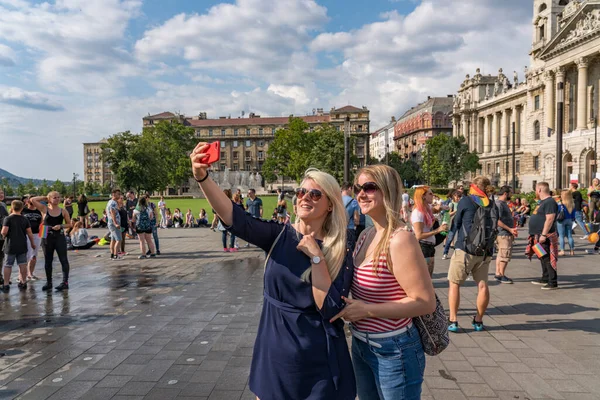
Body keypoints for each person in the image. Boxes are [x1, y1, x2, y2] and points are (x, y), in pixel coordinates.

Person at [191, 143, 357, 400]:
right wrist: (202, 177)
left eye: (315, 194)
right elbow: (235, 218)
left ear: (330, 205)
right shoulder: (279, 235)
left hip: (319, 357)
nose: (304, 197)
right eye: (302, 192)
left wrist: (316, 257)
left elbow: (331, 309)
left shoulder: (340, 248)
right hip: (276, 351)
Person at [335, 165, 435, 400]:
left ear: (388, 190)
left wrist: (367, 310)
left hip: (394, 349)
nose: (361, 194)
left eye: (369, 187)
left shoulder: (400, 240)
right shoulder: (365, 235)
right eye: (359, 187)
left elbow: (425, 302)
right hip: (361, 345)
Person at [447, 177, 497, 332]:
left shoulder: (466, 201)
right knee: (482, 285)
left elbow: (457, 222)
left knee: (454, 284)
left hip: (465, 248)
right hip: (485, 251)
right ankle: (478, 321)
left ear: (474, 186)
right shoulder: (490, 203)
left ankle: (454, 321)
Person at [31, 192, 72, 291]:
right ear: (49, 199)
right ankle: (49, 282)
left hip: (59, 236)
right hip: (46, 236)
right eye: (55, 198)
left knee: (63, 259)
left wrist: (61, 226)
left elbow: (69, 224)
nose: (57, 199)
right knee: (48, 260)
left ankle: (65, 282)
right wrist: (45, 197)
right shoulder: (44, 209)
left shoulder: (63, 211)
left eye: (58, 197)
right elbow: (32, 200)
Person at [526, 182, 559, 290]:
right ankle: (545, 277)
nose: (536, 191)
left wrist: (544, 234)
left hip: (544, 235)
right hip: (537, 234)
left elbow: (550, 218)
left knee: (546, 257)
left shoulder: (549, 202)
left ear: (539, 190)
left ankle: (552, 281)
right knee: (541, 256)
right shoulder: (543, 202)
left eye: (536, 189)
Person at [412, 186, 447, 276]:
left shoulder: (427, 209)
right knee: (424, 278)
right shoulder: (418, 213)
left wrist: (442, 208)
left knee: (428, 277)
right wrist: (438, 230)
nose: (433, 195)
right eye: (430, 194)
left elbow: (434, 209)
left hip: (429, 246)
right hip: (423, 246)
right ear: (423, 196)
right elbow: (418, 235)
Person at [1, 200, 36, 292]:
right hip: (22, 244)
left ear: (12, 207)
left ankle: (6, 284)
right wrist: (32, 243)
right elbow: (29, 233)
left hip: (10, 244)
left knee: (8, 264)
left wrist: (4, 236)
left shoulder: (8, 219)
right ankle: (23, 282)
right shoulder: (24, 219)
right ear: (22, 208)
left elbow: (4, 231)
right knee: (22, 264)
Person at [495, 186, 518, 284]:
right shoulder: (500, 204)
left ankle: (498, 273)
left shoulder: (502, 203)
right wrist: (510, 229)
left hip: (504, 233)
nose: (511, 195)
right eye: (510, 193)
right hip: (504, 233)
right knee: (505, 254)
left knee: (501, 254)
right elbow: (497, 220)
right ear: (505, 193)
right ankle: (501, 274)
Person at [22, 196, 43, 281]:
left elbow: (42, 223)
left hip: (36, 234)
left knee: (34, 255)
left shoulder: (39, 211)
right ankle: (23, 274)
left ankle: (31, 273)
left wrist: (43, 236)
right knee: (26, 255)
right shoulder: (23, 210)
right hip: (25, 235)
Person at [442, 190, 462, 260]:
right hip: (454, 222)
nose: (458, 198)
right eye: (456, 196)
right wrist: (456, 211)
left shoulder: (461, 204)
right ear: (453, 196)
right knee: (450, 238)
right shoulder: (451, 204)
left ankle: (459, 254)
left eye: (459, 196)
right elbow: (449, 214)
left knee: (461, 238)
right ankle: (445, 253)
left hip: (461, 222)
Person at [557, 190, 576, 256]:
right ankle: (572, 251)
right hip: (569, 220)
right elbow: (574, 214)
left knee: (561, 236)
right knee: (569, 236)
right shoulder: (572, 204)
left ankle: (562, 250)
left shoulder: (560, 204)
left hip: (561, 221)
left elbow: (557, 212)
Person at [105, 189, 122, 260]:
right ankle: (116, 255)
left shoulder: (110, 202)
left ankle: (112, 254)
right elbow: (112, 212)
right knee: (119, 239)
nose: (119, 195)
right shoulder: (113, 203)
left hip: (110, 223)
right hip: (114, 223)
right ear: (114, 194)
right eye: (118, 194)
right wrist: (115, 223)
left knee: (113, 239)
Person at [0, 190, 8, 286]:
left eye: (2, 193)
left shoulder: (3, 205)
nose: (1, 195)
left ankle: (0, 277)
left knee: (1, 257)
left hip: (2, 236)